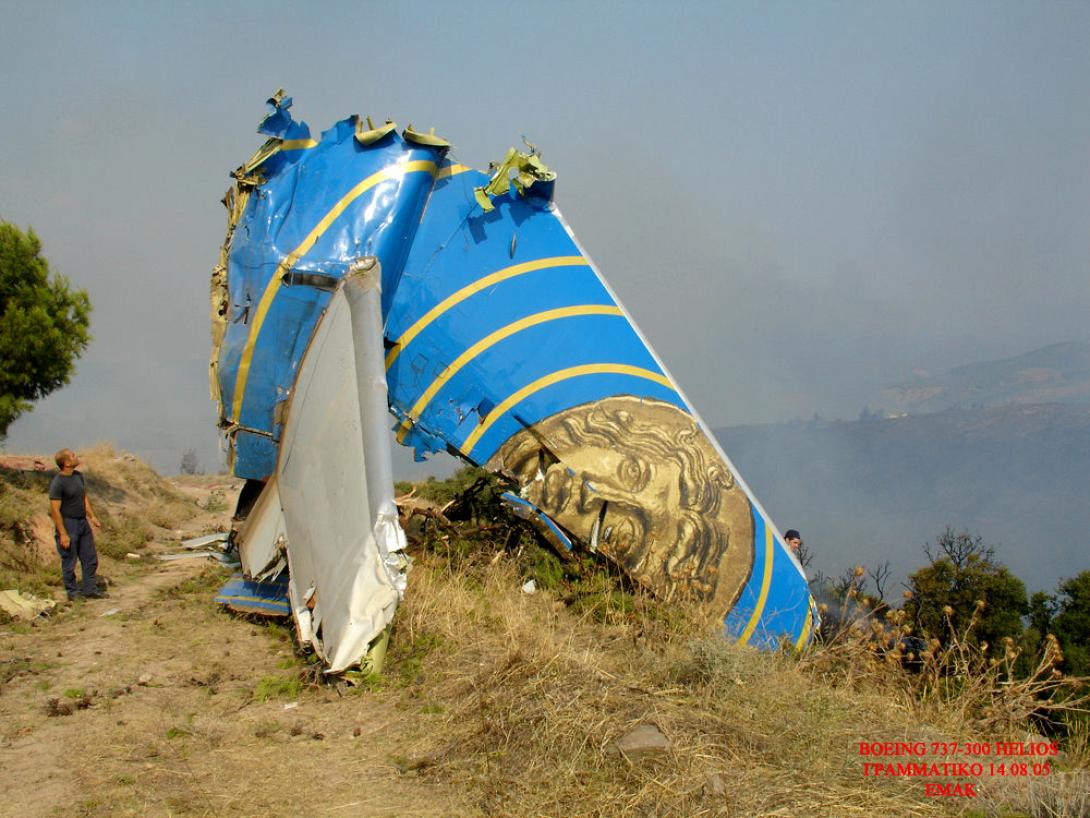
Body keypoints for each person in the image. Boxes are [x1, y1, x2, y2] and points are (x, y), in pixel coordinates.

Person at [48, 449, 104, 600]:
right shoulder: (58, 483)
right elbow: (55, 510)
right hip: (68, 523)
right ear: (66, 463)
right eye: (72, 455)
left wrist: (92, 516)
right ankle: (72, 592)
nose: (76, 456)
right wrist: (63, 533)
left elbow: (83, 497)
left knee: (90, 558)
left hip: (82, 522)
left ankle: (90, 589)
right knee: (69, 560)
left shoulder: (78, 476)